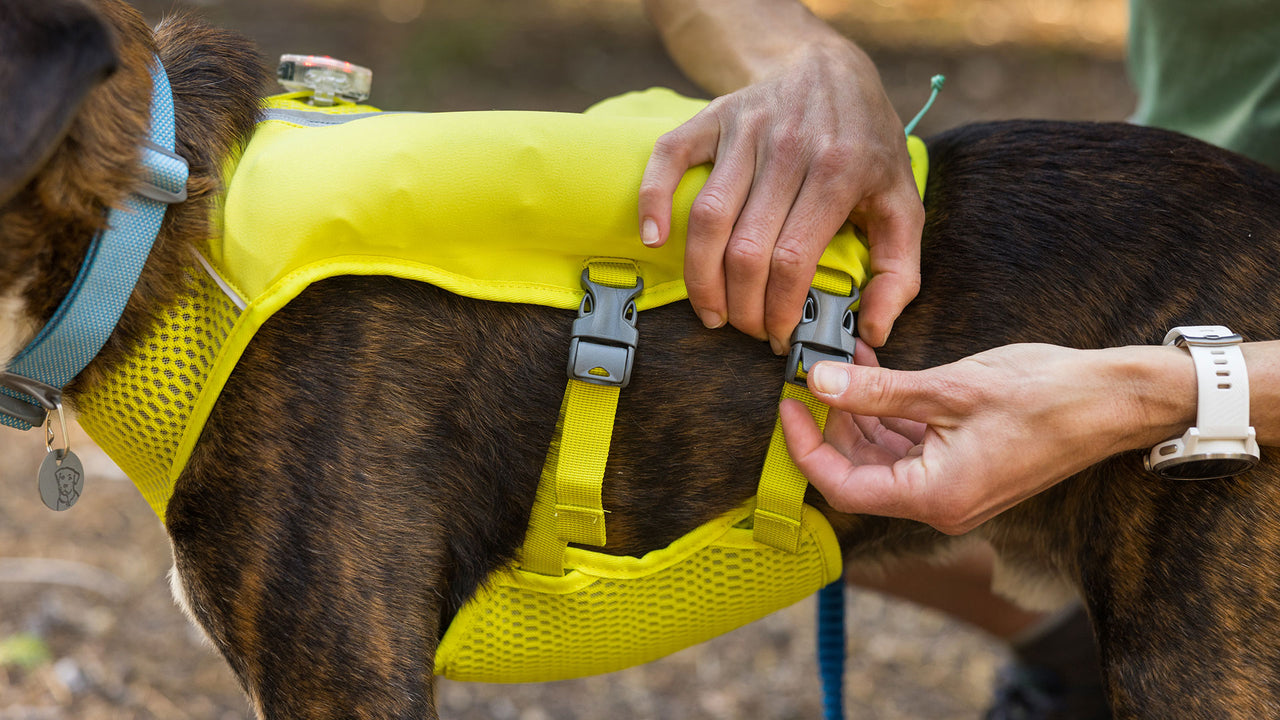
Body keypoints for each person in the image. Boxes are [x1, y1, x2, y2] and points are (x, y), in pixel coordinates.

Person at [640, 0, 1280, 718]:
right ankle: (1076, 643)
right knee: (778, 407)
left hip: (1243, 340)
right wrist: (809, 62)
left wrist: (1147, 395)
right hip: (1181, 220)